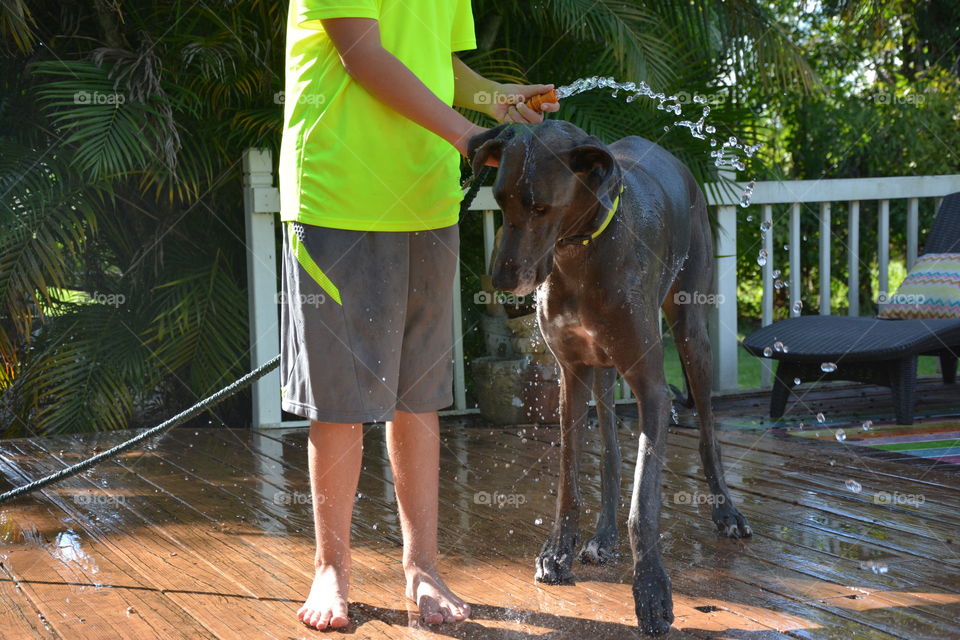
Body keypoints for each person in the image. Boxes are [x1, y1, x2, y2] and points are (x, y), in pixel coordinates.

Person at [278, 0, 559, 630]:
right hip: (340, 194)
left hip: (427, 198)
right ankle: (332, 569)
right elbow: (362, 54)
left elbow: (437, 65)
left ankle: (422, 568)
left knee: (418, 396)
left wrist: (495, 99)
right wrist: (465, 136)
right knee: (341, 400)